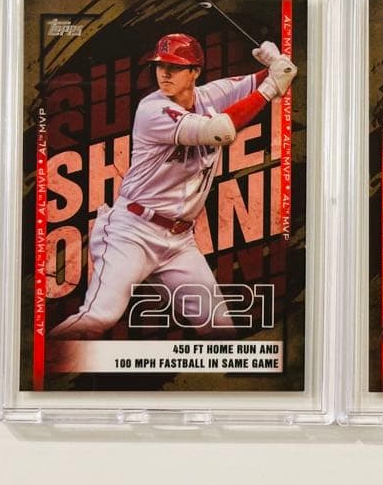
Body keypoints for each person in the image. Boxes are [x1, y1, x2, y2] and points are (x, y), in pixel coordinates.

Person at [50, 33, 296, 339]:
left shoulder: (210, 95)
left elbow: (258, 81)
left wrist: (274, 65)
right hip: (132, 232)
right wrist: (271, 87)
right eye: (160, 65)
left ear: (195, 72)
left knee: (221, 330)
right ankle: (42, 360)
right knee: (100, 316)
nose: (164, 73)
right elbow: (220, 131)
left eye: (175, 67)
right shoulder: (152, 109)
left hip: (179, 241)